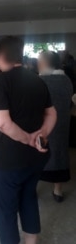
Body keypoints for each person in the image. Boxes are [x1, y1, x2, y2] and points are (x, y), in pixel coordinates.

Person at [0, 36, 57, 244]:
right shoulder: (37, 79)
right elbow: (52, 114)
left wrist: (27, 139)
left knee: (6, 210)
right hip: (36, 158)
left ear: (1, 56)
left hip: (8, 159)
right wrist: (41, 136)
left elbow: (3, 124)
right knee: (28, 198)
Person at [38, 51, 73, 202]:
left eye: (40, 61)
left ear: (45, 63)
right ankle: (57, 190)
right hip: (63, 124)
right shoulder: (66, 80)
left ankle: (32, 188)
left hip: (43, 124)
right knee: (59, 154)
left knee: (40, 154)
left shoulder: (40, 81)